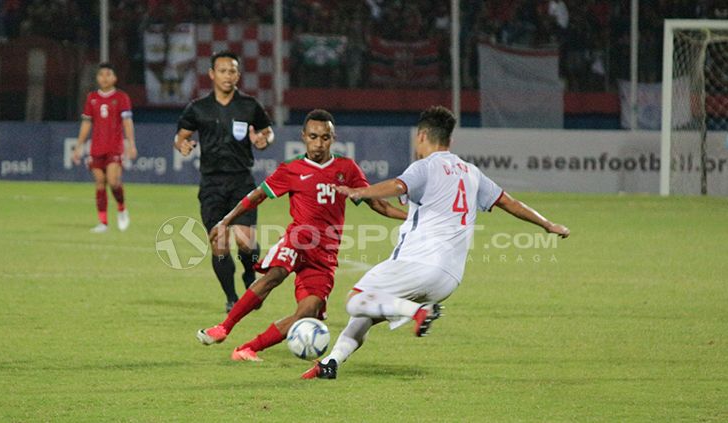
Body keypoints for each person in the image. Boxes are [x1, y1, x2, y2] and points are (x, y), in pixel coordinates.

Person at [302, 106, 570, 379]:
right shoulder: (472, 172)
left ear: (421, 136)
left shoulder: (425, 166)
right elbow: (508, 202)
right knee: (368, 313)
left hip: (418, 264)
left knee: (355, 301)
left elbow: (398, 186)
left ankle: (418, 311)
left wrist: (360, 191)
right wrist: (547, 224)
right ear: (450, 141)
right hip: (449, 278)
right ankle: (331, 363)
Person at [196, 109, 408, 362]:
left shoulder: (346, 168)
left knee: (306, 315)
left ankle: (247, 349)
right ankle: (224, 327)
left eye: (325, 137)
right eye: (313, 136)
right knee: (274, 275)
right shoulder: (292, 169)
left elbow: (379, 205)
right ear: (303, 137)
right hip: (297, 240)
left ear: (333, 137)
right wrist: (226, 221)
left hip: (325, 255)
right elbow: (257, 196)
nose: (319, 143)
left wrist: (412, 217)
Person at [174, 51, 274, 312]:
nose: (228, 76)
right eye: (222, 71)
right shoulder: (198, 108)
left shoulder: (249, 105)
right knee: (219, 242)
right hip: (211, 184)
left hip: (242, 181)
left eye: (232, 71)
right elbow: (181, 136)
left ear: (238, 75)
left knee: (245, 241)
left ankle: (250, 275)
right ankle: (231, 298)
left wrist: (264, 140)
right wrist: (182, 145)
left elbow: (267, 130)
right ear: (211, 75)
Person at [73, 63, 136, 233]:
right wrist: (78, 146)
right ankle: (103, 223)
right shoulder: (92, 98)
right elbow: (86, 123)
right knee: (100, 183)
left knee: (114, 181)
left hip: (114, 147)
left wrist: (131, 143)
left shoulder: (121, 97)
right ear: (97, 78)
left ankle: (122, 209)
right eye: (101, 74)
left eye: (108, 74)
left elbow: (127, 122)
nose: (104, 78)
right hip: (96, 148)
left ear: (114, 78)